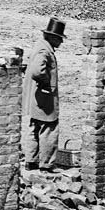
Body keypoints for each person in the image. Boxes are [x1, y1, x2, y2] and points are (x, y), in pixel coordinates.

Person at [21, 17, 65, 172]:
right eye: (59, 39)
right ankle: (46, 164)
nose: (61, 42)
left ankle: (31, 161)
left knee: (34, 128)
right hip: (44, 98)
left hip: (36, 98)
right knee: (49, 129)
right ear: (52, 37)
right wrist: (46, 82)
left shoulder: (40, 46)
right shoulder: (44, 50)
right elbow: (37, 71)